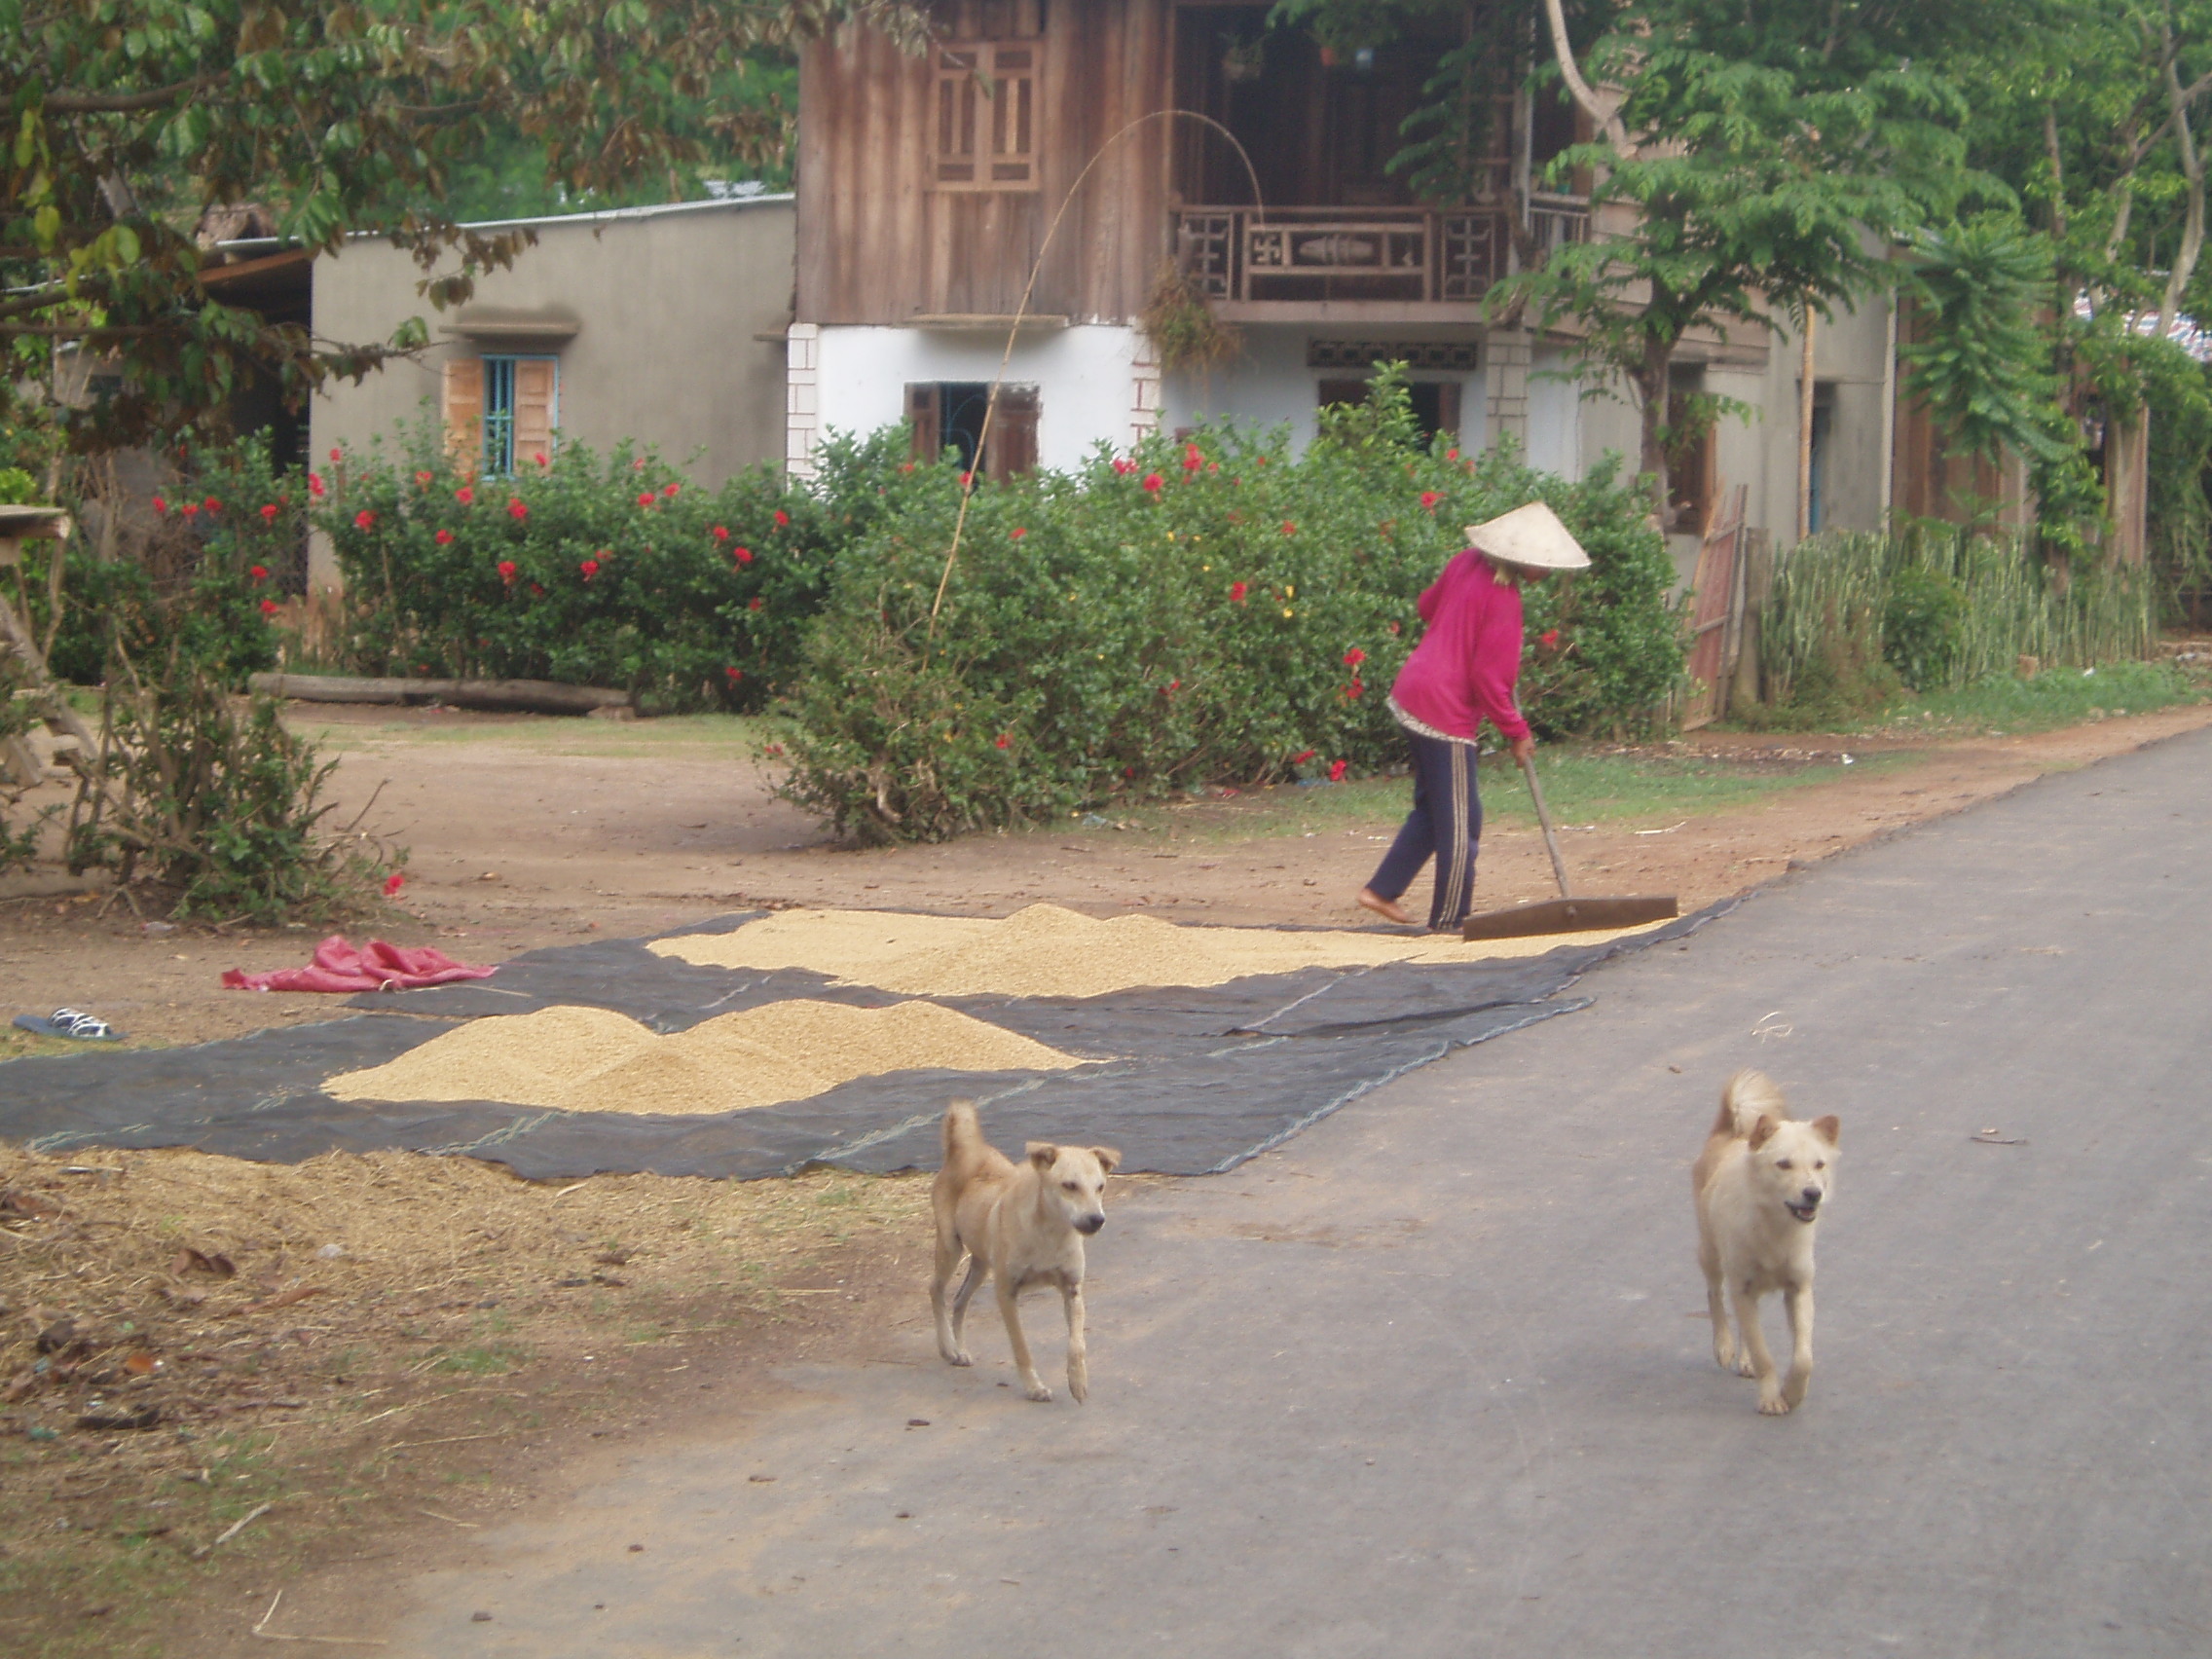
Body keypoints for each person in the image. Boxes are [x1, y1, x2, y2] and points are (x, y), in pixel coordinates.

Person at [1356, 500, 1590, 932]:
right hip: (1444, 711)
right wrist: (1517, 732)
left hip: (1413, 691)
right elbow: (1489, 679)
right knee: (1461, 824)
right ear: (1524, 561)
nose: (1549, 573)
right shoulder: (1505, 599)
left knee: (1437, 811)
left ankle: (1382, 890)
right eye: (1545, 565)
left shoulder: (1465, 562)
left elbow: (1428, 607)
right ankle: (1449, 920)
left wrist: (1459, 625)